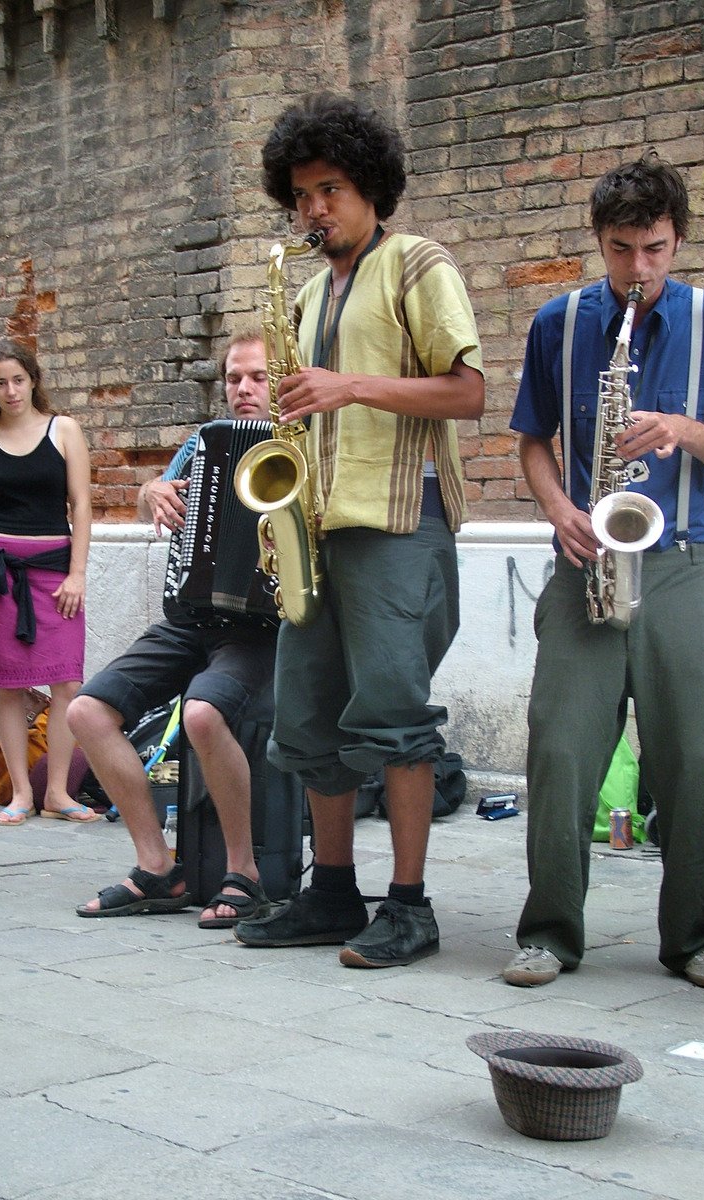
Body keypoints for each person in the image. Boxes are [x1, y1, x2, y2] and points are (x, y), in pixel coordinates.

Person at [233, 92, 485, 968]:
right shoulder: (304, 295)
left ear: (370, 185)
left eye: (331, 188)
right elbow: (298, 425)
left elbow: (469, 393)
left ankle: (409, 907)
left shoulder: (418, 264)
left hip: (398, 522)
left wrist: (352, 385)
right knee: (306, 723)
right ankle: (333, 893)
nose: (314, 208)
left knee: (394, 718)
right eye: (301, 194)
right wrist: (280, 521)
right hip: (317, 528)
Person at [505, 152, 704, 991]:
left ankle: (697, 939)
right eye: (620, 251)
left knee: (693, 759)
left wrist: (680, 428)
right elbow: (533, 442)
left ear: (677, 239)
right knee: (561, 752)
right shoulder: (560, 322)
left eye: (652, 249)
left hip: (683, 560)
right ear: (598, 244)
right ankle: (548, 934)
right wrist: (558, 511)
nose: (637, 272)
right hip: (585, 563)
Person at [71, 333, 279, 926]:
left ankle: (245, 873)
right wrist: (150, 491)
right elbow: (154, 494)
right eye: (234, 378)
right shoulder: (205, 443)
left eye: (257, 377)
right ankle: (158, 867)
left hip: (258, 629)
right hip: (191, 618)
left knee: (202, 714)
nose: (243, 389)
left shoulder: (302, 446)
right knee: (86, 712)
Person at [0, 339, 95, 826]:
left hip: (55, 571)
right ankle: (21, 794)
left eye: (19, 380)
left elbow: (82, 505)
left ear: (33, 381)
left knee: (67, 681)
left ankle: (58, 793)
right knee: (8, 685)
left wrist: (77, 573)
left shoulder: (64, 430)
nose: (11, 391)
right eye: (0, 382)